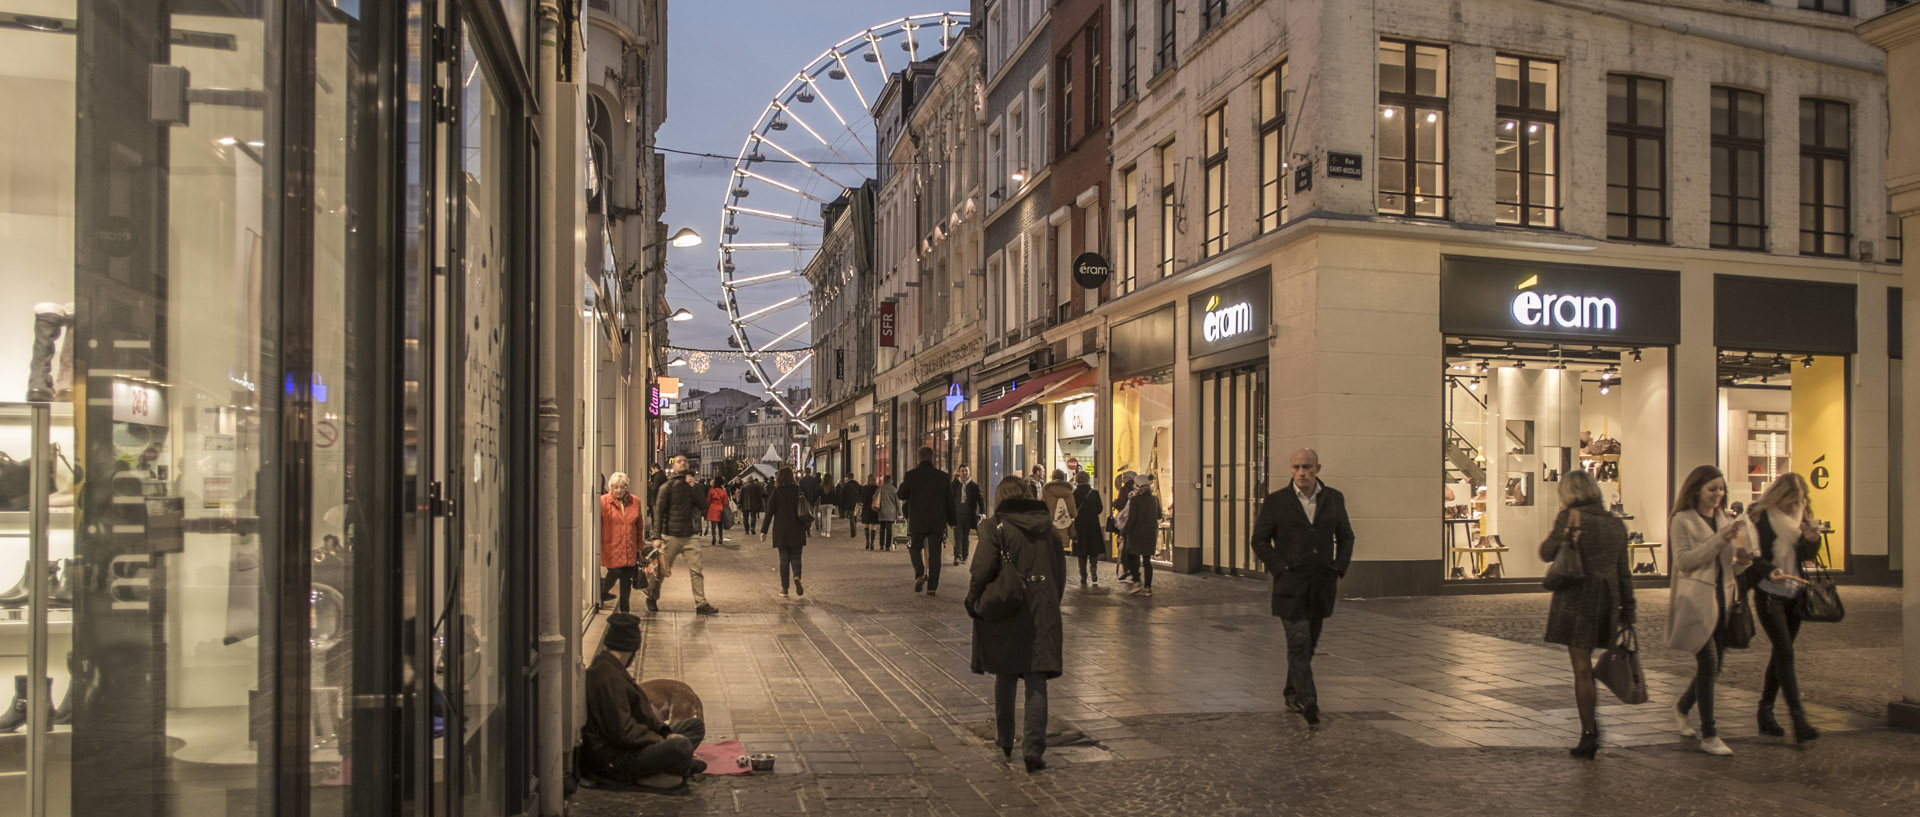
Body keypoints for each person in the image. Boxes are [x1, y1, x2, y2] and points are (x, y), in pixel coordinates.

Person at [965, 477, 1066, 773]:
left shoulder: (994, 526)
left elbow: (980, 571)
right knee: (1036, 680)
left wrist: (973, 601)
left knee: (1006, 675)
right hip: (1042, 610)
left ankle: (1005, 738)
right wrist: (1049, 601)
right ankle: (1033, 750)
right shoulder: (1048, 528)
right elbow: (1059, 574)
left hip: (1007, 609)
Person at [1247, 449, 1354, 728]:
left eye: (1307, 467)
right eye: (1296, 467)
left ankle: (1292, 691)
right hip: (1290, 586)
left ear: (1317, 468)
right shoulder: (1277, 502)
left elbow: (1346, 537)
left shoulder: (1333, 498)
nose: (1301, 472)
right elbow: (1259, 540)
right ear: (1290, 469)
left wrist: (1337, 568)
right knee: (1298, 642)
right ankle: (1309, 701)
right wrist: (1279, 567)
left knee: (1309, 645)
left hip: (1320, 585)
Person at [1538, 469, 1633, 758]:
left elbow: (1547, 552)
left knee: (1581, 669)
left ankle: (1589, 732)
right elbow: (1624, 573)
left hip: (1577, 600)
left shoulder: (1570, 518)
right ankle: (1591, 727)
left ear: (1568, 493)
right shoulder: (1616, 525)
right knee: (1589, 666)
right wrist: (1628, 612)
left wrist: (1565, 529)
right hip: (1608, 601)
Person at [1667, 465, 1750, 756]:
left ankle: (1681, 707)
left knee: (1714, 667)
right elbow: (1684, 562)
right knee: (1708, 663)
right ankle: (1710, 734)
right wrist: (1720, 539)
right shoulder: (1683, 520)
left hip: (1723, 599)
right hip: (1696, 601)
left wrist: (1743, 558)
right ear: (1697, 490)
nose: (1718, 494)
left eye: (1721, 488)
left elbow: (1732, 564)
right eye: (1712, 489)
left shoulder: (1725, 518)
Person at [1742, 472, 1825, 743]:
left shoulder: (1801, 515)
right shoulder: (1760, 517)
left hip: (1795, 593)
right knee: (1785, 652)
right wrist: (1769, 570)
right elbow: (1752, 557)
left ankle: (1765, 711)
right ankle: (1798, 718)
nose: (1793, 507)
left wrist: (1812, 540)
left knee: (1781, 653)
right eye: (1789, 501)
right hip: (1769, 594)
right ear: (1778, 497)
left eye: (1798, 501)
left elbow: (1805, 556)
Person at [581, 613, 702, 791]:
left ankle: (676, 767)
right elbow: (622, 732)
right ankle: (659, 773)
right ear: (630, 649)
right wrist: (658, 740)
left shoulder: (614, 669)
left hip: (634, 745)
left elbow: (643, 716)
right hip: (617, 760)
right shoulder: (606, 677)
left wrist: (665, 732)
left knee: (695, 726)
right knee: (680, 746)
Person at [648, 457, 719, 615]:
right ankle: (652, 597)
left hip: (689, 534)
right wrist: (656, 536)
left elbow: (703, 506)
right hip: (670, 535)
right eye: (679, 461)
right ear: (673, 466)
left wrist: (694, 487)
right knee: (662, 570)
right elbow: (658, 511)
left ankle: (701, 603)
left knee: (696, 570)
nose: (683, 463)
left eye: (685, 461)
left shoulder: (692, 486)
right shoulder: (667, 486)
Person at [896, 446, 956, 595]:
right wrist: (952, 521)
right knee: (935, 554)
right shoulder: (942, 476)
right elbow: (950, 500)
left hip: (918, 520)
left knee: (915, 547)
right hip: (937, 521)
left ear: (919, 458)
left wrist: (908, 484)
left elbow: (901, 494)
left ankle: (920, 573)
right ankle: (932, 587)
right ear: (933, 457)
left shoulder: (912, 475)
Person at [599, 472, 644, 613]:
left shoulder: (635, 501)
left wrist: (639, 546)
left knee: (626, 581)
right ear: (610, 487)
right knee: (615, 571)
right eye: (615, 487)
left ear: (627, 487)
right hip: (611, 545)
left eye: (621, 487)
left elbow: (639, 525)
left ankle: (625, 610)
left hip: (629, 546)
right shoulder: (603, 501)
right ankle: (602, 592)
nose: (618, 490)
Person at [761, 467, 809, 598]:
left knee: (783, 560)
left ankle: (785, 589)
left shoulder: (776, 492)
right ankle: (797, 576)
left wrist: (763, 530)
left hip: (781, 530)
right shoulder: (797, 490)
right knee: (796, 556)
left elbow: (769, 512)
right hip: (797, 529)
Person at [1118, 476, 1162, 597]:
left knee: (1131, 555)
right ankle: (1148, 587)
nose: (1133, 486)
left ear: (1138, 486)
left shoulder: (1135, 500)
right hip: (1150, 533)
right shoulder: (1155, 499)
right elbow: (1159, 515)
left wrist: (1123, 533)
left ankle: (1136, 581)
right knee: (1147, 560)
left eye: (1135, 484)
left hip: (1136, 532)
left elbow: (1132, 519)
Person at [1070, 472, 1105, 587]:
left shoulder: (1074, 493)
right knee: (1093, 549)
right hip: (1093, 524)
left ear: (1078, 480)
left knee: (1082, 550)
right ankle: (1093, 569)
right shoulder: (1094, 493)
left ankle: (1083, 576)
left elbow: (1072, 510)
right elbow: (1100, 509)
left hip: (1080, 524)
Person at [951, 465, 984, 565]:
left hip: (969, 515)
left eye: (966, 471)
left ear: (969, 472)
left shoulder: (974, 486)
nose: (964, 472)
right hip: (957, 514)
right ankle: (957, 556)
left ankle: (965, 556)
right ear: (959, 472)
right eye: (962, 471)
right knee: (957, 535)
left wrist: (983, 512)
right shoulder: (954, 485)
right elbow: (948, 498)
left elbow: (980, 500)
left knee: (965, 536)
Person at [1111, 474, 1137, 581]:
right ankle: (1134, 569)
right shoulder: (1137, 489)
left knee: (1122, 545)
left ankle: (1126, 568)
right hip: (1135, 523)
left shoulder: (1124, 489)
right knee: (1133, 547)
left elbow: (1121, 505)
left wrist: (1115, 503)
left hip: (1124, 522)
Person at [1041, 469, 1076, 542]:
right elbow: (1073, 511)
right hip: (1064, 524)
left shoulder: (1047, 490)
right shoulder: (1069, 491)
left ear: (1053, 477)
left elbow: (1042, 507)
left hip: (1050, 524)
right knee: (1061, 546)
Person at [876, 473, 902, 553]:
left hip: (882, 511)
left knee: (882, 529)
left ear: (884, 480)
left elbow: (874, 497)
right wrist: (900, 513)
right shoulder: (894, 489)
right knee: (889, 530)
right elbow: (898, 502)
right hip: (891, 512)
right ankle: (887, 546)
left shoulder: (880, 488)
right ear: (891, 480)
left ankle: (881, 545)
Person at [799, 470, 825, 534]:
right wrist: (815, 498)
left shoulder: (801, 480)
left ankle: (804, 527)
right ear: (810, 472)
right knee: (810, 514)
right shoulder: (813, 481)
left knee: (803, 513)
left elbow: (799, 490)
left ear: (805, 472)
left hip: (803, 500)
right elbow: (816, 490)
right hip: (811, 500)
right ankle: (808, 528)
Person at [704, 480, 729, 545]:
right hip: (720, 509)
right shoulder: (724, 492)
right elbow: (726, 503)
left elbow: (708, 501)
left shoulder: (711, 491)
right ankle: (720, 538)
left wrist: (705, 509)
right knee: (720, 525)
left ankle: (714, 537)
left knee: (713, 525)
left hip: (712, 509)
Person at [861, 473, 882, 550]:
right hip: (874, 508)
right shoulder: (877, 488)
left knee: (866, 525)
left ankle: (867, 542)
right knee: (873, 526)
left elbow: (862, 499)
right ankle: (872, 543)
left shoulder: (865, 488)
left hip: (866, 508)